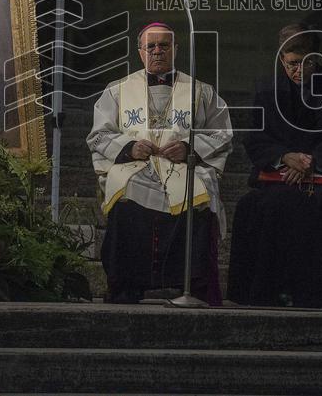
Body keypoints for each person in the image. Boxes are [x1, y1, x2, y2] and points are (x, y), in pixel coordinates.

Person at [87, 22, 232, 305]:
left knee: (197, 196)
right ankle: (126, 286)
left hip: (183, 167)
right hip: (136, 168)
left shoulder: (200, 91)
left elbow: (222, 133)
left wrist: (190, 148)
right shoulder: (117, 90)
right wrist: (129, 147)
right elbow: (99, 135)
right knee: (126, 200)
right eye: (150, 46)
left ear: (175, 50)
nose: (157, 51)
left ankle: (191, 286)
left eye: (163, 45)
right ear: (140, 52)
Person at [227, 24, 322, 308]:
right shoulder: (267, 89)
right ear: (281, 59)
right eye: (292, 64)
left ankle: (311, 294)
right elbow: (255, 137)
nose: (298, 70)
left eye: (307, 62)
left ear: (318, 58)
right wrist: (284, 157)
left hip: (320, 176)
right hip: (279, 176)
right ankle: (263, 292)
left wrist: (310, 163)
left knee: (318, 208)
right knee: (255, 207)